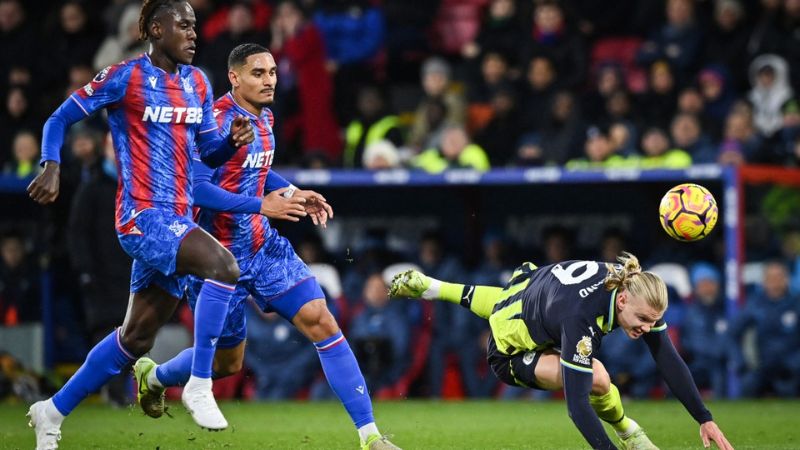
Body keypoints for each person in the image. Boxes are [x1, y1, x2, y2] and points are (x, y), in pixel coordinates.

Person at [132, 43, 401, 450]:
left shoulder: (265, 118)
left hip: (263, 246)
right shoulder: (215, 122)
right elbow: (196, 188)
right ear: (235, 77)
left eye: (273, 71)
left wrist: (293, 191)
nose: (269, 79)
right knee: (228, 363)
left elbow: (256, 167)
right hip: (217, 259)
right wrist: (262, 204)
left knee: (322, 320)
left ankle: (371, 437)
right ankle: (153, 377)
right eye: (258, 72)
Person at [25, 1, 255, 447]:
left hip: (179, 219)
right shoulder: (124, 77)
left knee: (134, 339)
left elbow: (207, 153)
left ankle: (50, 412)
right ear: (154, 28)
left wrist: (231, 141)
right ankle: (199, 384)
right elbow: (60, 117)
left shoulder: (199, 83)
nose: (193, 33)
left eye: (195, 26)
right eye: (183, 25)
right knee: (224, 267)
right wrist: (51, 163)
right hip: (142, 217)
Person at [390, 252, 733, 450]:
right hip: (508, 353)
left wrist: (705, 418)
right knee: (597, 377)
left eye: (653, 321)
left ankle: (431, 286)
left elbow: (666, 356)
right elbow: (577, 405)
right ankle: (629, 432)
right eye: (643, 320)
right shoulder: (581, 318)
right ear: (623, 300)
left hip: (529, 295)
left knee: (510, 304)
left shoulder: (630, 284)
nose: (646, 328)